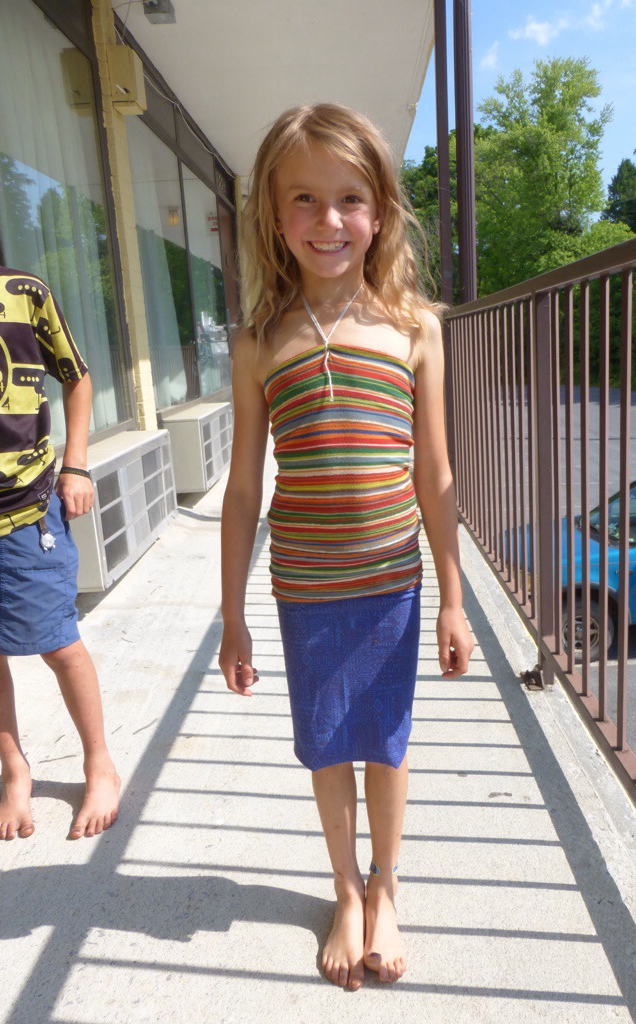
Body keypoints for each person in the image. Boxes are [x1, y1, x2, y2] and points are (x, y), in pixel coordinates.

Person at [219, 104, 474, 990]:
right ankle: (345, 890)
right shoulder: (260, 342)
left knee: (386, 745)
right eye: (304, 198)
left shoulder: (414, 328)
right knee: (327, 744)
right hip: (306, 591)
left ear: (381, 211)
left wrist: (452, 597)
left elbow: (435, 474)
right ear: (272, 214)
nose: (328, 220)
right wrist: (233, 616)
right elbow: (242, 489)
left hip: (392, 583)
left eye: (350, 199)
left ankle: (386, 884)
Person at [0, 159, 120, 841]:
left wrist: (76, 465)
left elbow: (77, 376)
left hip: (23, 510)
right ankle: (15, 773)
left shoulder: (22, 292)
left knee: (58, 644)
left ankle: (99, 763)